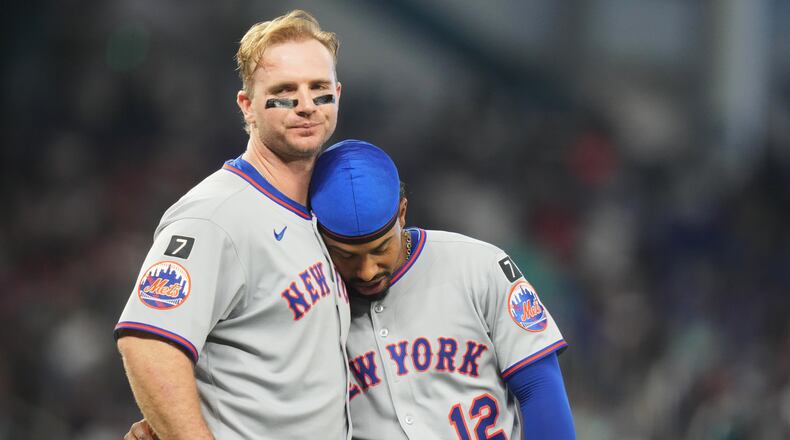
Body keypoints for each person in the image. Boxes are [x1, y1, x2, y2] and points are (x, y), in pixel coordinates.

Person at [115, 10, 352, 440]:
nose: (304, 104)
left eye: (318, 89)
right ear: (248, 106)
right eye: (284, 91)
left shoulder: (322, 215)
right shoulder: (216, 214)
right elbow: (148, 344)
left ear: (337, 94)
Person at [309, 139, 576, 439]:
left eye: (381, 248)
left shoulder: (479, 267)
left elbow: (538, 387)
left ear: (402, 213)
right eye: (347, 256)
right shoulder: (311, 303)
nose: (367, 270)